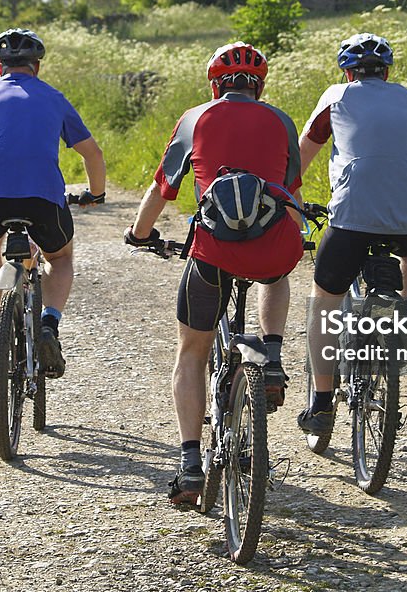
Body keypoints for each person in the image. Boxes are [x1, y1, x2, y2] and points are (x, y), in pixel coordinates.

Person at [124, 42, 305, 504]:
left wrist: (140, 233)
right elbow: (292, 192)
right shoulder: (282, 121)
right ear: (260, 85)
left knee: (191, 351)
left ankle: (189, 465)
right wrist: (295, 237)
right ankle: (274, 356)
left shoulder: (194, 118)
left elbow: (164, 187)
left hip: (213, 254)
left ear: (214, 83)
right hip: (271, 248)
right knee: (277, 272)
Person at [296, 33, 407, 435]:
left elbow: (296, 161)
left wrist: (297, 210)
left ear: (346, 71)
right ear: (388, 71)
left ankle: (322, 404)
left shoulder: (336, 96)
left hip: (352, 220)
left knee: (323, 298)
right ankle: (402, 315)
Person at [0, 28, 106, 378]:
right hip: (43, 201)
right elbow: (92, 153)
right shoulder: (52, 97)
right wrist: (96, 194)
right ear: (37, 67)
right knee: (60, 255)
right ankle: (49, 324)